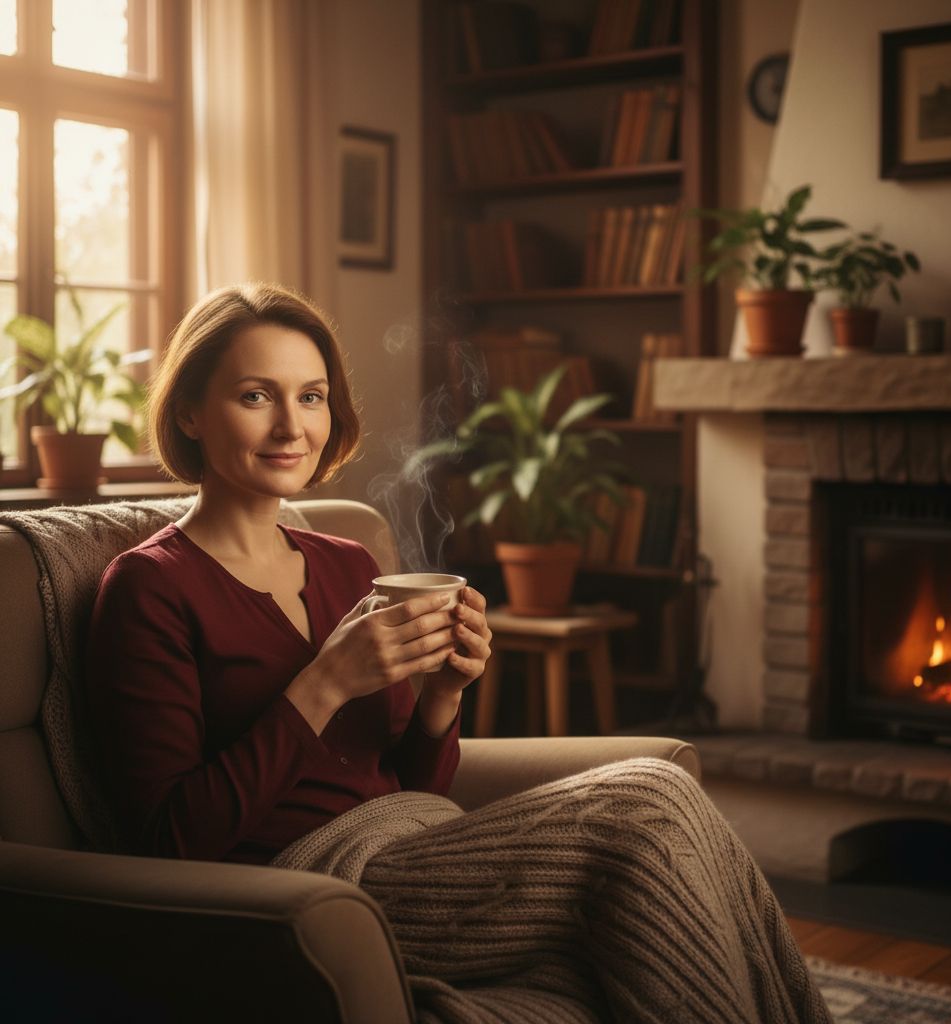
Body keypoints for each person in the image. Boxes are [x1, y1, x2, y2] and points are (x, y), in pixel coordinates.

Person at [87, 283, 831, 1023]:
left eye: (311, 396)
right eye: (256, 396)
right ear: (188, 411)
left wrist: (444, 694)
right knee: (646, 801)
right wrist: (322, 685)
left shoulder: (349, 564)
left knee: (665, 800)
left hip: (415, 843)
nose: (292, 426)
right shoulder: (151, 586)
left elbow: (411, 782)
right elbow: (170, 840)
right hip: (311, 888)